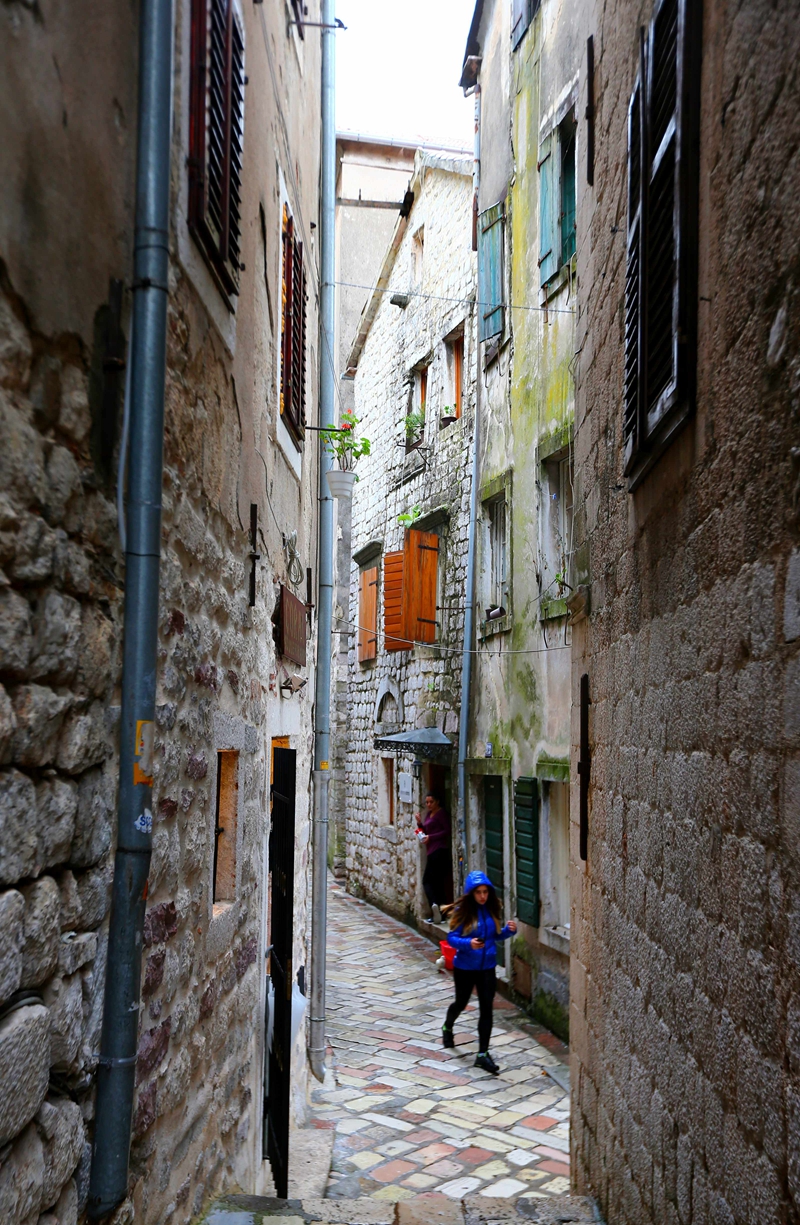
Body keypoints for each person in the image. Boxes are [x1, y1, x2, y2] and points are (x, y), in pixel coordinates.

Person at [441, 870, 517, 1075]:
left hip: (487, 967)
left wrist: (509, 931)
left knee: (486, 1008)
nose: (483, 896)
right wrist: (468, 944)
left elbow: (495, 937)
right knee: (461, 1002)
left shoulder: (492, 910)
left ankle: (482, 1054)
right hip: (465, 967)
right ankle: (448, 1026)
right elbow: (451, 938)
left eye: (485, 892)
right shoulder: (462, 912)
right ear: (471, 893)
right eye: (478, 892)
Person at [416, 793, 451, 924]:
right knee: (436, 882)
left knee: (428, 881)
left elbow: (446, 831)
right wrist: (419, 823)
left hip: (439, 850)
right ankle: (440, 911)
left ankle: (435, 905)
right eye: (427, 802)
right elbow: (425, 831)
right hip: (431, 851)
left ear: (437, 802)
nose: (428, 805)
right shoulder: (428, 815)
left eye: (431, 802)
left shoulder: (441, 814)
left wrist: (432, 838)